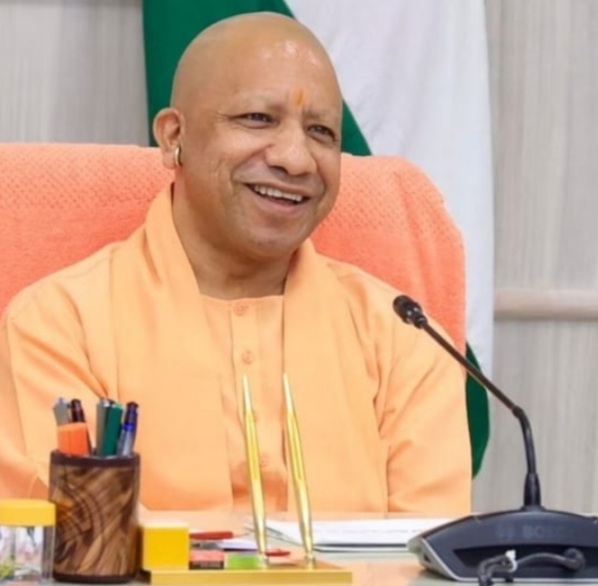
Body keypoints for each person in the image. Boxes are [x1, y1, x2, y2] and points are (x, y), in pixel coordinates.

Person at [0, 12, 471, 513]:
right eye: (258, 119)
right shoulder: (61, 325)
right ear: (173, 136)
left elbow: (429, 544)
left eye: (321, 132)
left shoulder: (403, 340)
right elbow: (65, 541)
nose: (296, 159)